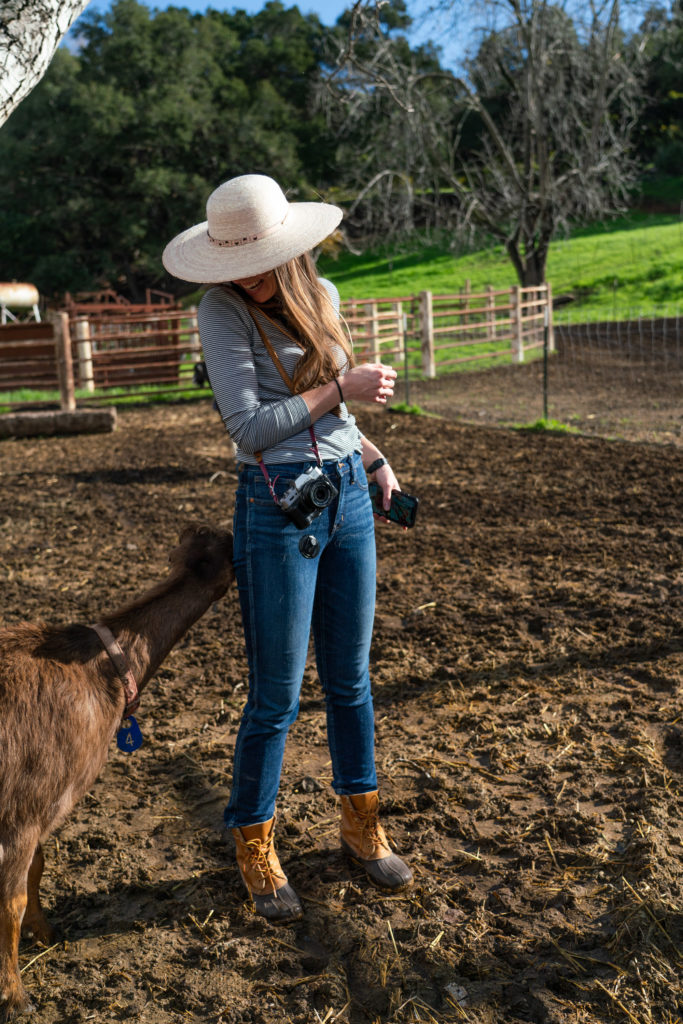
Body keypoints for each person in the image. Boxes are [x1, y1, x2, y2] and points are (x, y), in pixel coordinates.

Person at [162, 174, 412, 922]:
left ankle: (362, 826)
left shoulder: (321, 294)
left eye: (255, 255)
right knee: (275, 694)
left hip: (346, 498)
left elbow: (335, 413)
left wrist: (374, 461)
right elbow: (248, 428)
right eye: (231, 257)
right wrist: (344, 390)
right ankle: (254, 841)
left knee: (351, 679)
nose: (243, 271)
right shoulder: (220, 309)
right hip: (274, 507)